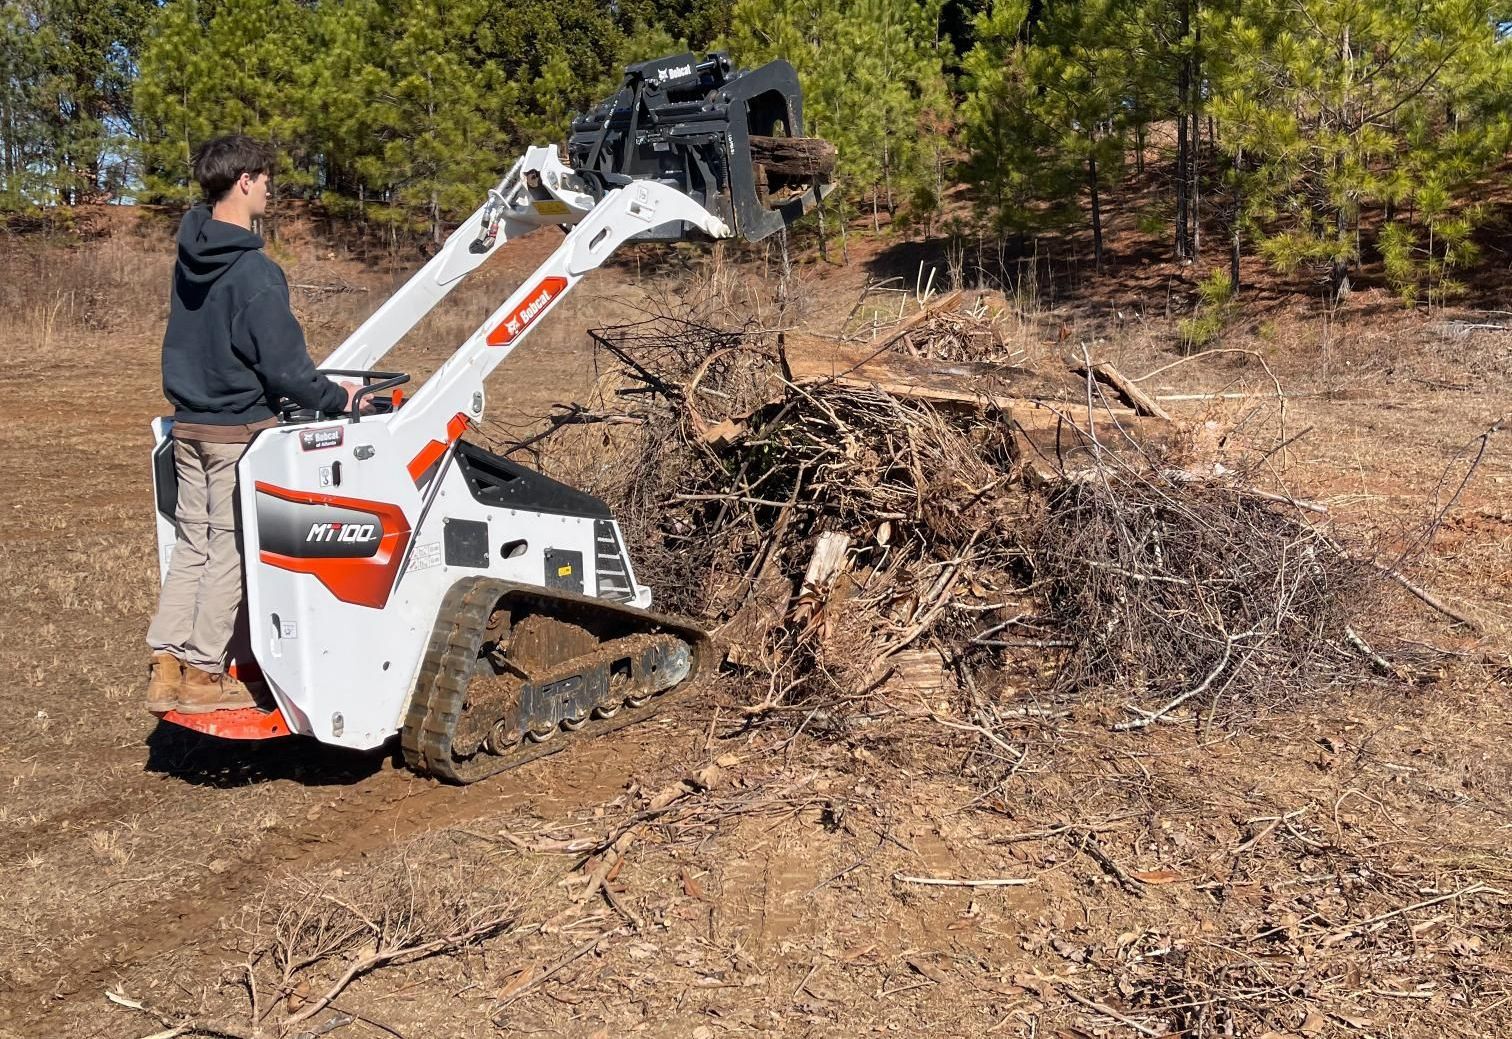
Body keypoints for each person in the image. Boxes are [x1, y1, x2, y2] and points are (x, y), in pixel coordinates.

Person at [145, 135, 357, 715]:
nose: (270, 189)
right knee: (229, 552)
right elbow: (286, 369)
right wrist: (342, 399)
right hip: (236, 435)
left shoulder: (189, 258)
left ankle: (165, 663)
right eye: (265, 179)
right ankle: (205, 675)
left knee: (193, 546)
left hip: (188, 426)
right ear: (244, 180)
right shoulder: (254, 271)